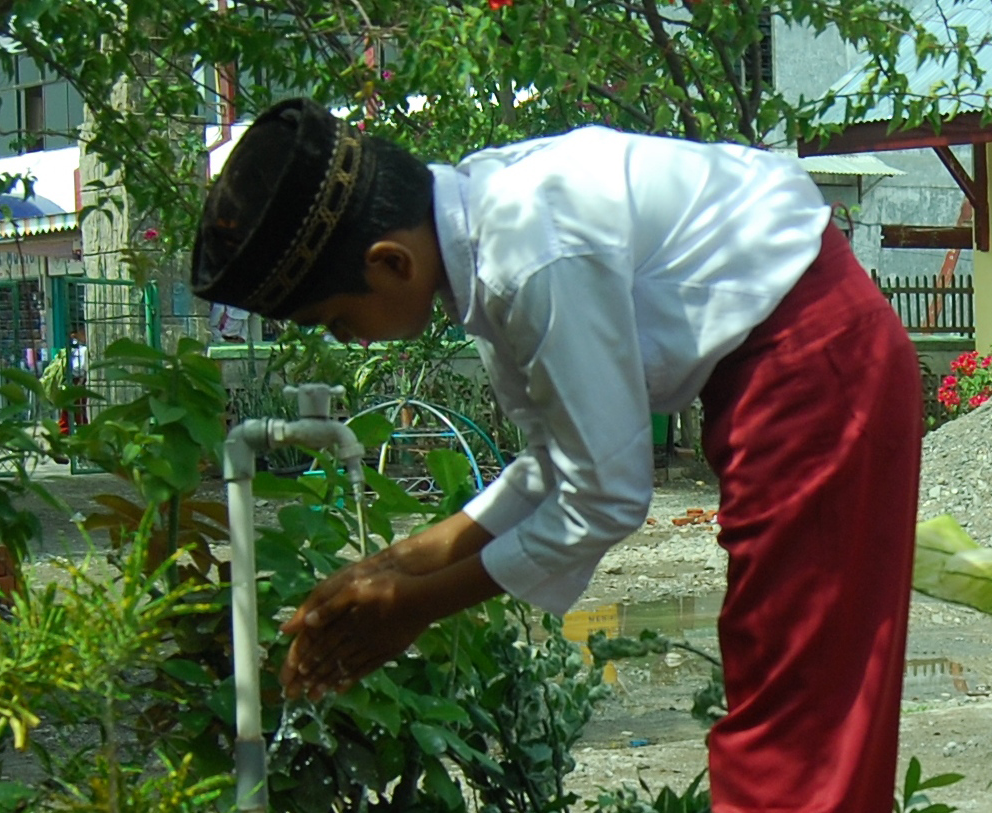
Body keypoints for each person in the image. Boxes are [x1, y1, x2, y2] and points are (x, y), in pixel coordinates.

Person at [190, 98, 922, 811]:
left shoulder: (527, 251)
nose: (349, 342)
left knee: (796, 724)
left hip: (817, 370)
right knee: (802, 703)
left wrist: (412, 607)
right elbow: (557, 458)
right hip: (797, 366)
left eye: (338, 321)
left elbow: (605, 494)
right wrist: (407, 559)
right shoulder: (486, 224)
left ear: (389, 262)